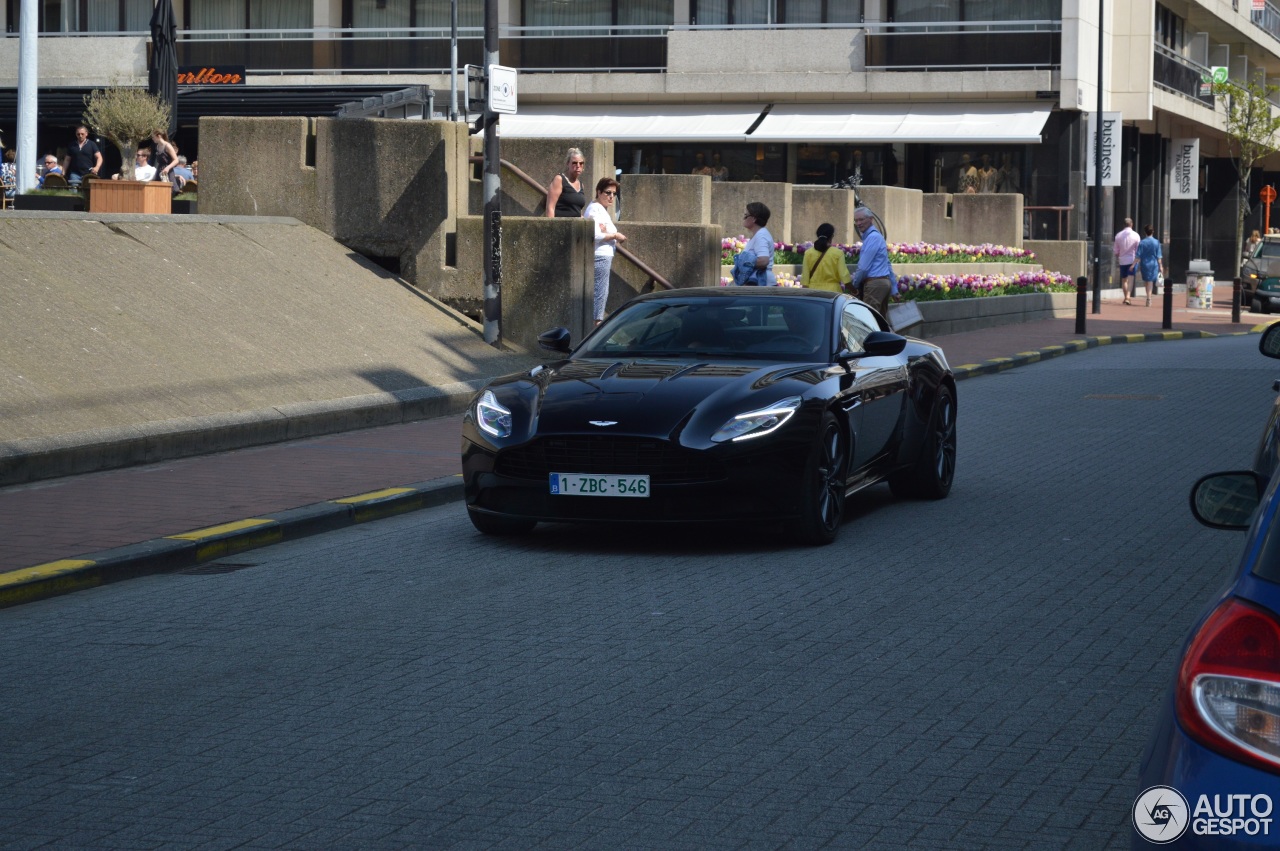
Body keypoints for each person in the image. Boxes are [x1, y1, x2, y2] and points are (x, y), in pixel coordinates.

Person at [582, 177, 626, 326]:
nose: (611, 197)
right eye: (608, 193)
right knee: (600, 292)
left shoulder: (601, 210)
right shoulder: (595, 209)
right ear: (598, 192)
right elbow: (595, 235)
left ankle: (597, 322)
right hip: (599, 256)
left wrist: (607, 234)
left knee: (602, 291)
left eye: (614, 193)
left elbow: (601, 233)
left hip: (604, 255)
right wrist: (614, 235)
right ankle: (597, 324)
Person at [851, 206, 897, 317]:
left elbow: (863, 268)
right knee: (880, 321)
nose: (858, 223)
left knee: (868, 320)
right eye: (856, 220)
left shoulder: (872, 238)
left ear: (871, 219)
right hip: (883, 284)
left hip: (874, 285)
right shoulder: (875, 237)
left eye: (861, 219)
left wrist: (854, 285)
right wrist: (894, 289)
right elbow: (887, 264)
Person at [800, 223, 852, 294]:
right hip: (833, 292)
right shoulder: (838, 253)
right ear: (832, 236)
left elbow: (805, 278)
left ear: (818, 235)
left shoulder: (808, 253)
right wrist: (854, 290)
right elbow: (844, 275)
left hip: (813, 292)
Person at [739, 201, 776, 286]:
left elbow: (763, 261)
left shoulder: (761, 236)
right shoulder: (759, 234)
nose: (743, 218)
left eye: (746, 215)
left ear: (754, 218)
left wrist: (744, 263)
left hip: (760, 283)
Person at [545, 147, 586, 218]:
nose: (578, 166)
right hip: (561, 225)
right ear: (568, 164)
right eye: (574, 163)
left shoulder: (581, 185)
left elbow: (577, 210)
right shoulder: (559, 180)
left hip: (575, 226)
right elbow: (550, 208)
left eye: (581, 163)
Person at [1114, 217, 1141, 305]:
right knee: (1131, 278)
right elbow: (1138, 250)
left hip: (1122, 260)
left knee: (1124, 280)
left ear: (1123, 225)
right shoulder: (1136, 235)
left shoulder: (1118, 235)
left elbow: (1116, 251)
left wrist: (1118, 256)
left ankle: (1126, 297)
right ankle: (1128, 296)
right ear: (1131, 224)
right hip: (1132, 260)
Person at [1136, 225, 1164, 308]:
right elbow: (1159, 256)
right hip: (1153, 264)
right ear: (1153, 232)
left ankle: (1148, 297)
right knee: (1150, 281)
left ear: (1145, 232)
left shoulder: (1142, 242)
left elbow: (1138, 255)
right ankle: (1149, 298)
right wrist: (1161, 266)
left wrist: (1133, 264)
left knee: (1146, 281)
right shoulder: (1156, 242)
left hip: (1144, 263)